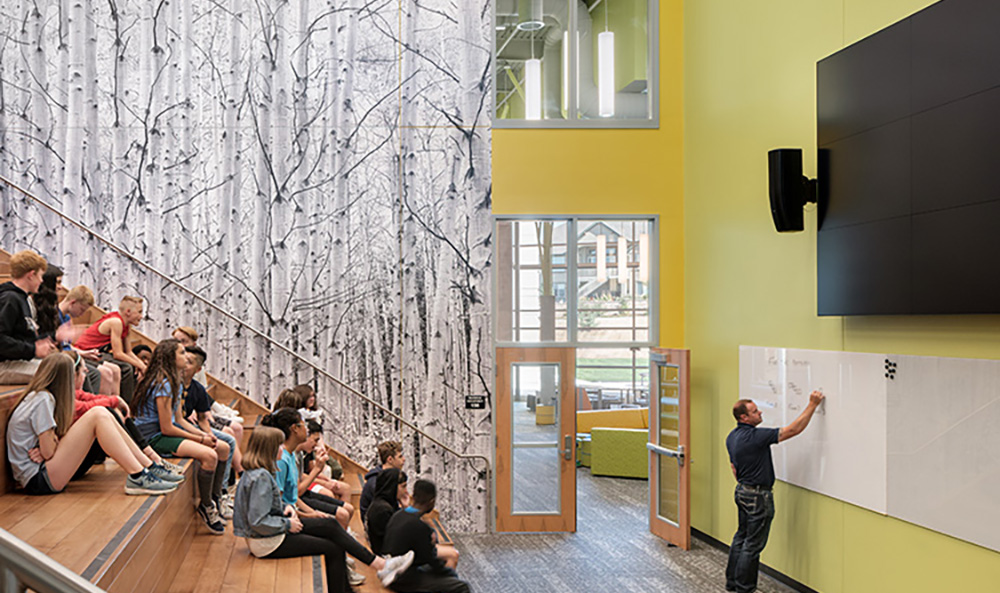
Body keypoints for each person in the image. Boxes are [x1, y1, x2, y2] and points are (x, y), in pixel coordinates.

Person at [233, 427, 414, 593]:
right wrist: (287, 524)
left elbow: (267, 506)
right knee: (332, 548)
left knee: (330, 525)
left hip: (273, 531)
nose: (282, 448)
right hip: (268, 541)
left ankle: (380, 565)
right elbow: (258, 522)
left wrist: (286, 508)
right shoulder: (261, 478)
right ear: (269, 449)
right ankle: (379, 566)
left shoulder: (260, 472)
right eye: (278, 445)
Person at [5, 353, 176, 496]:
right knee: (98, 414)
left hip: (43, 470)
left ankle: (146, 468)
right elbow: (49, 452)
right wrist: (48, 447)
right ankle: (139, 474)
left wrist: (49, 445)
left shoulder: (41, 396)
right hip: (39, 479)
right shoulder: (43, 399)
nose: (86, 373)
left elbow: (47, 449)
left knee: (102, 413)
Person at [725, 391, 826, 593]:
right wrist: (812, 405)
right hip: (758, 496)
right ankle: (745, 589)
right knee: (752, 546)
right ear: (744, 417)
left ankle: (732, 584)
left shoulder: (732, 436)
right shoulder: (755, 437)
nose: (760, 412)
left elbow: (734, 468)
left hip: (742, 491)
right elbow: (793, 430)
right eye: (754, 411)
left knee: (741, 537)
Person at [132, 339, 229, 534]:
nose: (187, 357)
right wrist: (201, 440)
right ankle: (206, 505)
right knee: (209, 456)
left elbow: (180, 419)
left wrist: (203, 434)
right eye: (182, 353)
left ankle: (216, 496)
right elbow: (167, 428)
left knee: (223, 448)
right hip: (152, 438)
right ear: (171, 358)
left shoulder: (172, 381)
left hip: (164, 432)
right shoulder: (164, 384)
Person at [180, 344, 239, 517]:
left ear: (198, 369)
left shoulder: (197, 388)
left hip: (193, 426)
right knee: (222, 445)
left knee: (228, 442)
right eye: (183, 359)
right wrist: (201, 436)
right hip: (182, 429)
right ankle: (217, 495)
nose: (184, 364)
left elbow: (202, 418)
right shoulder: (173, 385)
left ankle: (220, 493)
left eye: (189, 362)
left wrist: (209, 434)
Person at [382, 479, 471, 593]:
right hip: (403, 579)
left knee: (446, 573)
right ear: (432, 502)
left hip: (392, 570)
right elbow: (430, 560)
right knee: (462, 586)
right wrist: (450, 575)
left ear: (413, 497)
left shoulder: (398, 515)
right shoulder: (419, 526)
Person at [73, 296, 147, 402]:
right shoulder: (116, 322)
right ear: (128, 311)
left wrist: (142, 366)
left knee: (132, 366)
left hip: (100, 352)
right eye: (139, 312)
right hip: (88, 353)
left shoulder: (126, 325)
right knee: (126, 368)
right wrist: (140, 366)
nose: (141, 316)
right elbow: (118, 354)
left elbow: (128, 352)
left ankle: (131, 404)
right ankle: (126, 404)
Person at [0, 250, 57, 383]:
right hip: (4, 365)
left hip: (17, 360)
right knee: (59, 372)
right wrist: (33, 349)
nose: (41, 281)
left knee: (65, 364)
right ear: (31, 275)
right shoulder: (9, 299)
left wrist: (49, 339)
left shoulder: (24, 299)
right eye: (40, 276)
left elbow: (21, 336)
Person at [360, 440, 405, 519]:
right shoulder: (376, 482)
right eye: (400, 457)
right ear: (390, 459)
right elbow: (384, 510)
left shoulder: (390, 478)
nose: (404, 459)